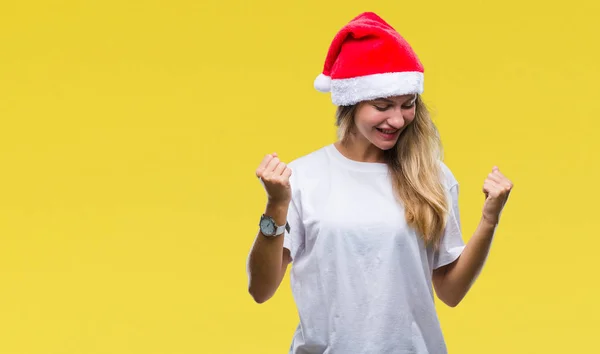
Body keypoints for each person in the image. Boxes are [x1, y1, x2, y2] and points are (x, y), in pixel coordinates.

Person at [246, 11, 513, 354]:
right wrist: (276, 205)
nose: (397, 119)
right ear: (351, 102)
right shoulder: (304, 178)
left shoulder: (431, 178)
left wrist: (489, 220)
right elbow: (261, 290)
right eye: (383, 105)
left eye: (408, 104)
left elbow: (450, 291)